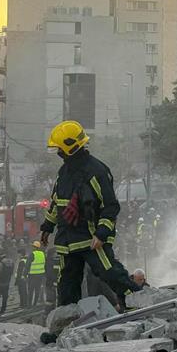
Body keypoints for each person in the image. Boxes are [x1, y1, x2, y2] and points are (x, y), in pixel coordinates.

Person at [40, 120, 142, 308]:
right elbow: (57, 202)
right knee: (67, 286)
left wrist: (101, 233)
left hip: (91, 238)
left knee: (110, 272)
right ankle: (67, 323)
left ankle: (139, 301)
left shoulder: (97, 171)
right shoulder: (64, 172)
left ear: (70, 148)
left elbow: (110, 206)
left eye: (60, 149)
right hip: (67, 241)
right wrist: (47, 227)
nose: (59, 154)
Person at [27, 240, 47, 305]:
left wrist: (24, 274)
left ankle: (29, 304)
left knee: (31, 290)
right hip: (40, 275)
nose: (32, 248)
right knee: (37, 290)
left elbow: (27, 265)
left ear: (35, 247)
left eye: (33, 246)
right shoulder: (42, 254)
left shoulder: (32, 254)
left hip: (32, 276)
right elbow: (45, 264)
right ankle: (35, 303)